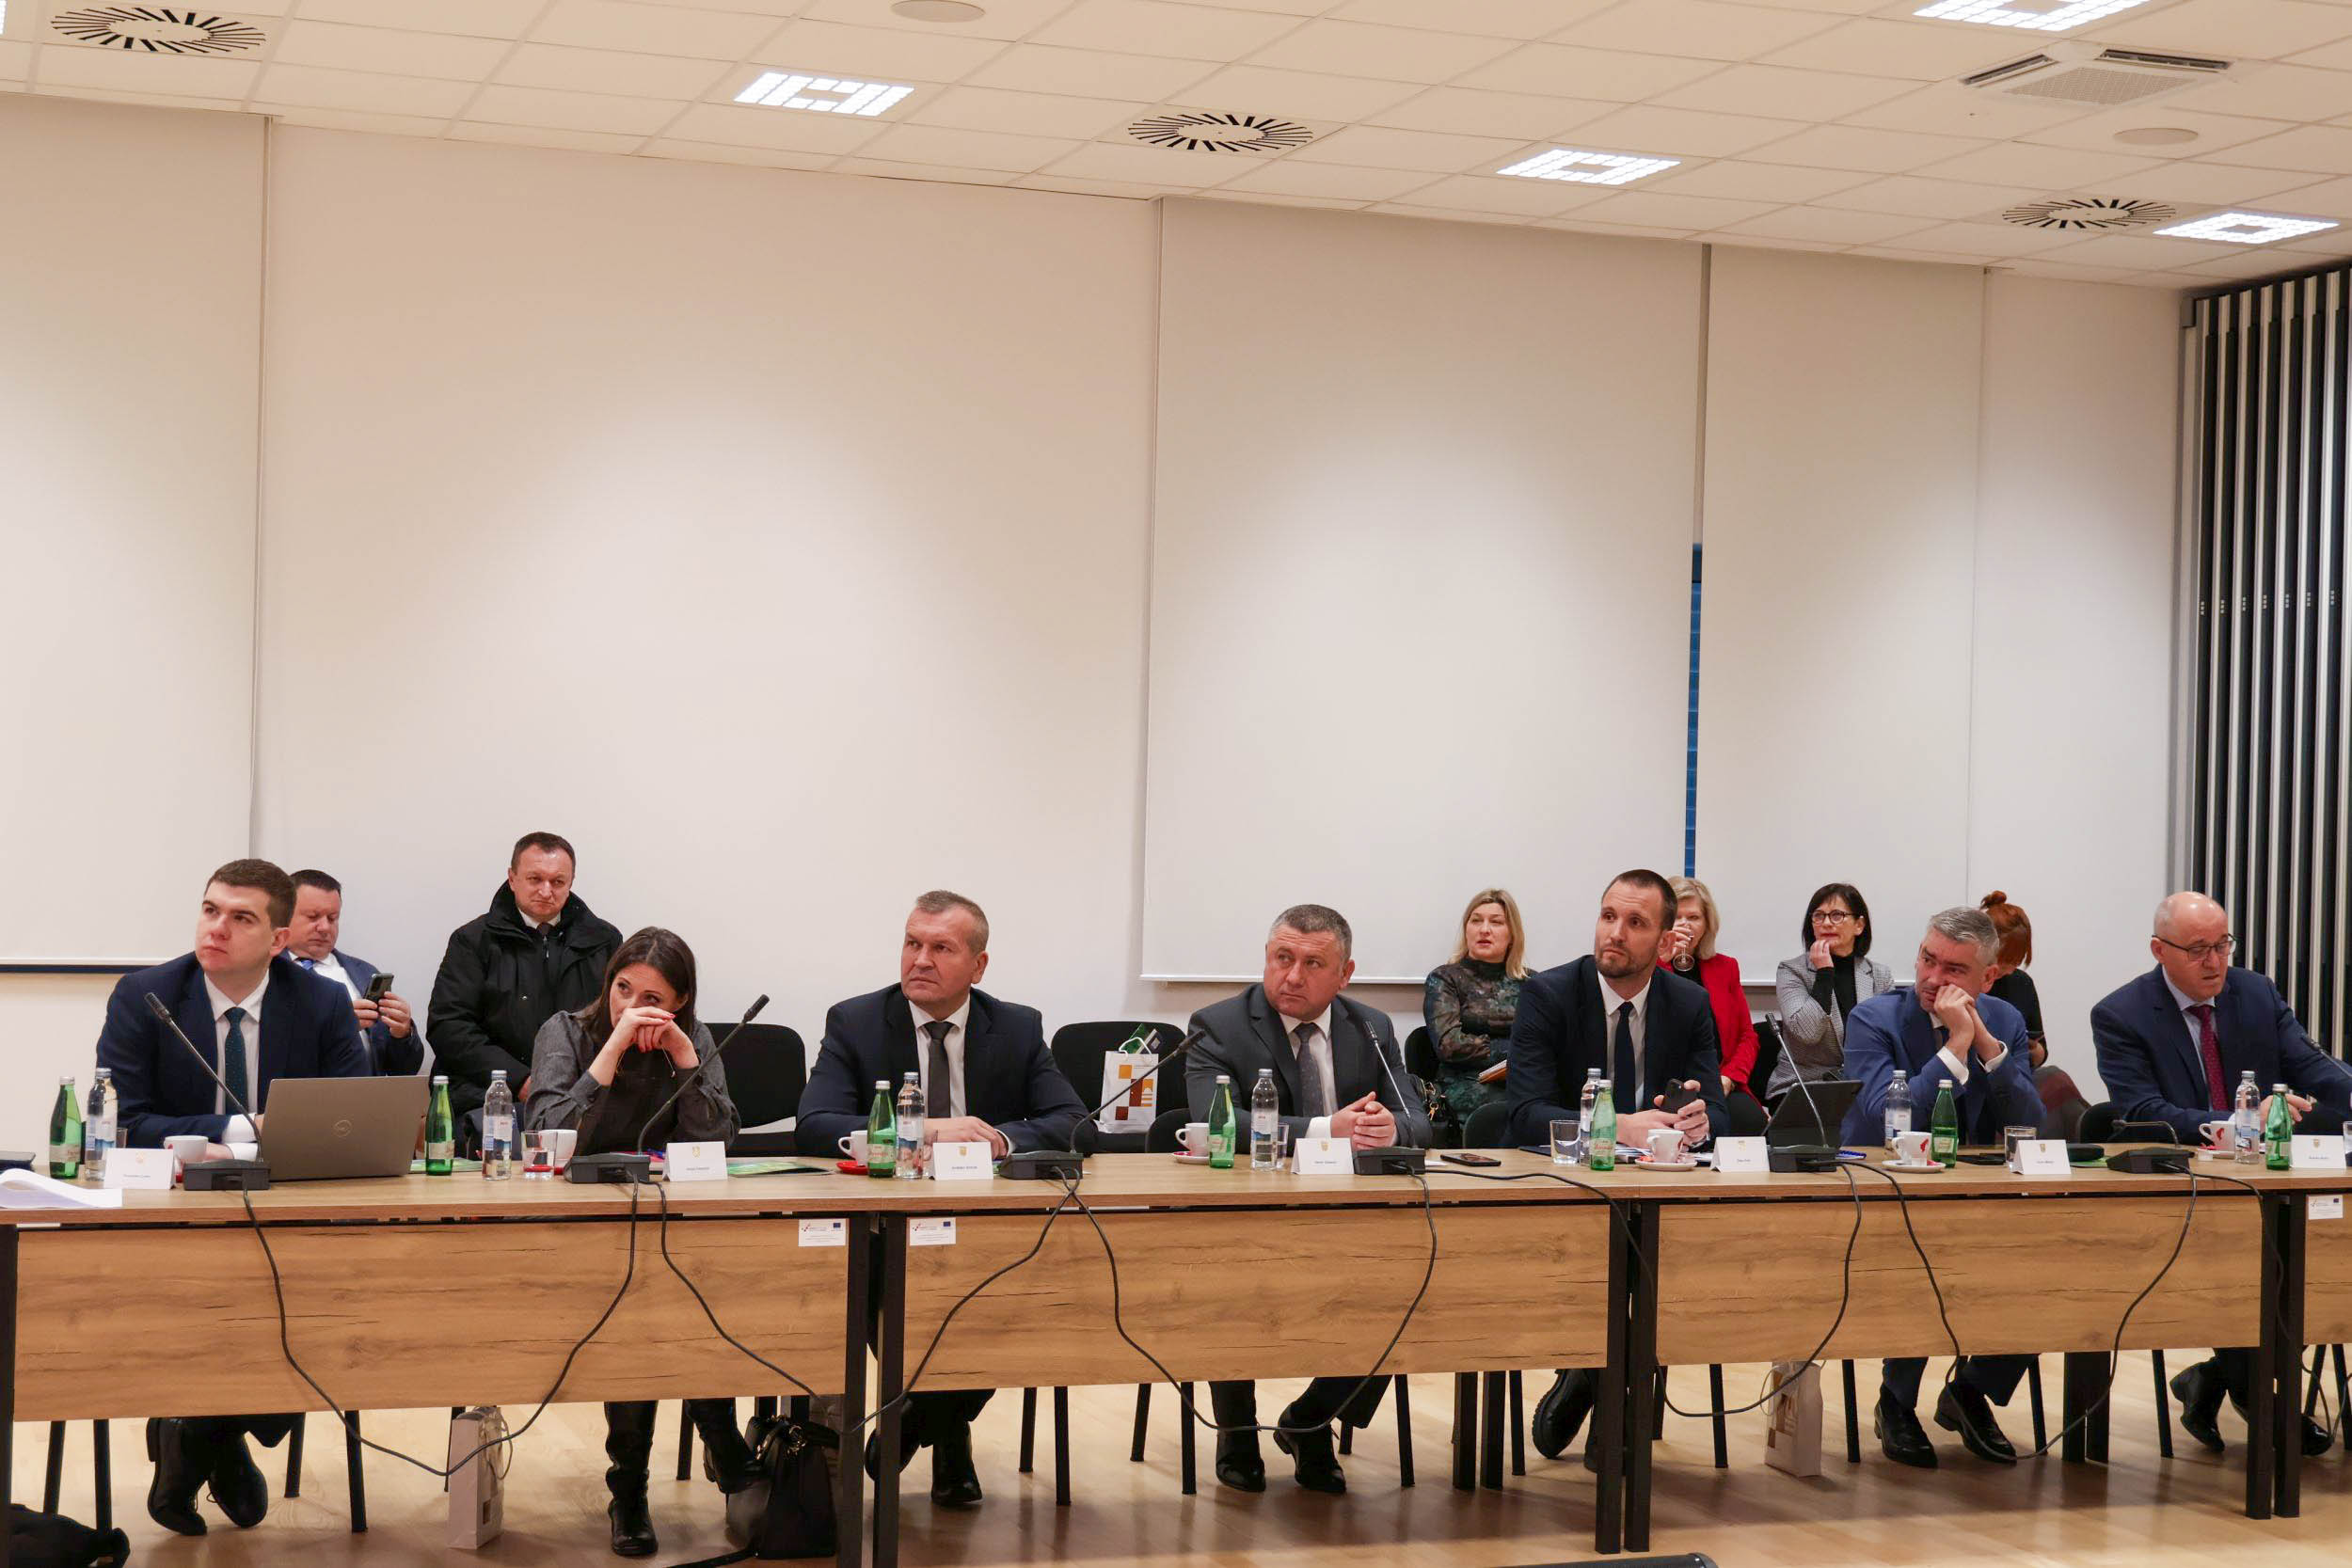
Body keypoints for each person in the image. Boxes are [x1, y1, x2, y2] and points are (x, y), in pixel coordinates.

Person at [92, 859, 368, 1536]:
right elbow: (123, 1121)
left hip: (285, 1214)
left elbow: (352, 1117)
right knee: (225, 1297)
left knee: (324, 1302)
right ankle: (221, 1439)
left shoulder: (322, 1002)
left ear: (278, 940)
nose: (216, 928)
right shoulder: (147, 995)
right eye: (210, 909)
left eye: (241, 918)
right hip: (173, 1219)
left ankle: (196, 1432)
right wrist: (242, 1128)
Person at [796, 891, 1086, 1508]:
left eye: (941, 948)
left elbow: (1073, 1121)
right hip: (884, 1227)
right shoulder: (855, 1020)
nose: (920, 960)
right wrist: (923, 1129)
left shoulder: (1017, 1026)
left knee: (1021, 1294)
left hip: (988, 1227)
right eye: (912, 943)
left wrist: (998, 1138)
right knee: (881, 1281)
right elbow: (815, 1124)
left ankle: (918, 1419)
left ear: (978, 966)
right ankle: (949, 1431)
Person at [2090, 891, 2346, 1459]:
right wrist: (2235, 1120)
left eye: (2223, 945)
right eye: (2198, 949)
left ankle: (2217, 1379)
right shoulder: (2120, 1014)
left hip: (2268, 1178)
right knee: (2246, 1262)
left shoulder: (2255, 993)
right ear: (2159, 950)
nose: (2214, 962)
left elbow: (2313, 1066)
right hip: (2182, 1188)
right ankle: (2260, 1399)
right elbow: (2141, 1110)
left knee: (2308, 1264)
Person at [1187, 904, 1432, 1496]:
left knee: (1411, 1279)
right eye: (1282, 958)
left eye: (1313, 964)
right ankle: (1237, 1432)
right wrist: (1327, 1129)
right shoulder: (1218, 1025)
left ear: (1345, 974)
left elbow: (1419, 1122)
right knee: (1231, 1280)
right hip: (1251, 1213)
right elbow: (1218, 1123)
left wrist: (1389, 1130)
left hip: (1351, 1215)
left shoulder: (1371, 1027)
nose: (1292, 976)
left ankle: (1311, 1420)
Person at [523, 928, 751, 1556]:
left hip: (667, 1224)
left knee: (683, 1290)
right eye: (623, 989)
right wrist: (612, 1049)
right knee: (641, 1304)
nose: (631, 1005)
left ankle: (681, 1452)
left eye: (651, 998)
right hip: (578, 1228)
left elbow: (718, 1140)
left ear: (679, 1003)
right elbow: (545, 1135)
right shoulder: (566, 1032)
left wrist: (685, 1058)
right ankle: (654, 1472)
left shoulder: (690, 1038)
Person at [1507, 869, 1725, 1465]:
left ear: (1665, 941)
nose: (1615, 933)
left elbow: (1718, 1108)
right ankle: (1610, 1391)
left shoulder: (1689, 1003)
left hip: (1656, 1190)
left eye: (1635, 923)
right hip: (1566, 1190)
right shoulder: (1550, 993)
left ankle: (1593, 1377)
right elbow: (1523, 1113)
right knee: (1631, 1262)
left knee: (1676, 1264)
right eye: (1608, 917)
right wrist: (1617, 1127)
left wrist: (1698, 1121)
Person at [1838, 907, 2040, 1469]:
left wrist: (1986, 1046)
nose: (1933, 978)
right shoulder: (1873, 1018)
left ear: (1988, 977)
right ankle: (1896, 1402)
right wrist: (1955, 1046)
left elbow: (2030, 1121)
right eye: (1928, 959)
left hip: (1979, 1194)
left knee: (2049, 1262)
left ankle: (1971, 1391)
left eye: (1953, 969)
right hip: (1887, 1194)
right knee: (1926, 1254)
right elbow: (1886, 1117)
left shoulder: (2005, 1018)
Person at [427, 832, 621, 1120]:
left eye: (558, 882)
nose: (546, 891)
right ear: (512, 878)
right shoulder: (473, 941)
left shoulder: (604, 940)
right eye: (535, 879)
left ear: (571, 883)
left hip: (580, 1097)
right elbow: (448, 1026)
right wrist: (518, 1080)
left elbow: (615, 1020)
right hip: (488, 1096)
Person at [284, 868, 423, 1075]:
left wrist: (402, 1034)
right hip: (301, 1091)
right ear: (283, 916)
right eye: (313, 917)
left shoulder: (365, 973)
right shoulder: (266, 973)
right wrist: (338, 1027)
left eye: (332, 918)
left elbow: (404, 1069)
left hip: (368, 1092)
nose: (324, 927)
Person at [1661, 876, 1766, 1135]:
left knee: (1751, 1121)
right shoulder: (1649, 967)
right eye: (1677, 917)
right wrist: (1663, 958)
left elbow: (1747, 1036)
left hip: (1717, 1082)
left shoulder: (1726, 967)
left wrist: (1728, 1079)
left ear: (1707, 924)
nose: (1685, 925)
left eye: (1694, 917)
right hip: (1665, 1083)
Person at [1770, 881, 1894, 1099]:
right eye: (1819, 916)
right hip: (1804, 1087)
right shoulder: (1791, 971)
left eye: (1837, 915)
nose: (1826, 923)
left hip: (1863, 1086)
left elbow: (1887, 1041)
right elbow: (1807, 1033)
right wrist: (1824, 973)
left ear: (1859, 925)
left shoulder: (1880, 976)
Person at [1422, 888, 1529, 1129]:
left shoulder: (1533, 984)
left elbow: (1547, 1045)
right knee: (1499, 1109)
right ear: (1466, 929)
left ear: (1512, 934)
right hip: (1465, 1083)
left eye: (1496, 922)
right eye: (1476, 921)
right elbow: (1449, 1045)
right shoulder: (1445, 979)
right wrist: (1512, 1051)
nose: (1484, 929)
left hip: (1520, 1081)